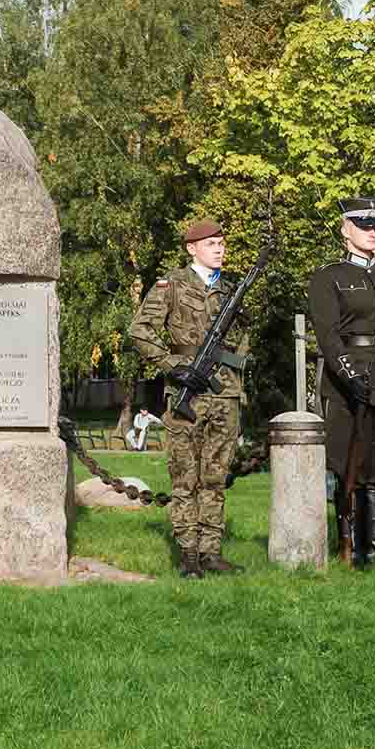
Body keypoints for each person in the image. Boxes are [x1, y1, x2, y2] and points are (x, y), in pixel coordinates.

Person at [127, 219, 249, 578]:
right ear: (191, 248)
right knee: (185, 478)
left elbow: (241, 342)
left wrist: (234, 374)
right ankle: (189, 555)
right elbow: (140, 330)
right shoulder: (172, 285)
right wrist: (172, 365)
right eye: (212, 243)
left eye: (222, 243)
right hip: (187, 394)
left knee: (215, 477)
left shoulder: (230, 290)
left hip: (224, 393)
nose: (220, 249)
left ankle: (211, 552)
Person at [305, 197, 375, 568]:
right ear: (345, 230)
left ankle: (373, 551)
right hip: (346, 385)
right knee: (346, 464)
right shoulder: (328, 277)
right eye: (364, 226)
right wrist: (350, 375)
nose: (373, 232)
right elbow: (328, 335)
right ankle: (348, 544)